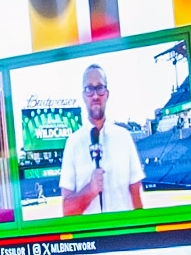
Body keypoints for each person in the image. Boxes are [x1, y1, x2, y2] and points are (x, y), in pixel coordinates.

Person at [52, 61, 144, 216]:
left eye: (100, 88)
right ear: (83, 96)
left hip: (123, 230)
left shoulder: (124, 138)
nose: (95, 96)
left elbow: (137, 197)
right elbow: (67, 210)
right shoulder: (73, 143)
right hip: (89, 232)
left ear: (107, 94)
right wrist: (90, 189)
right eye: (89, 89)